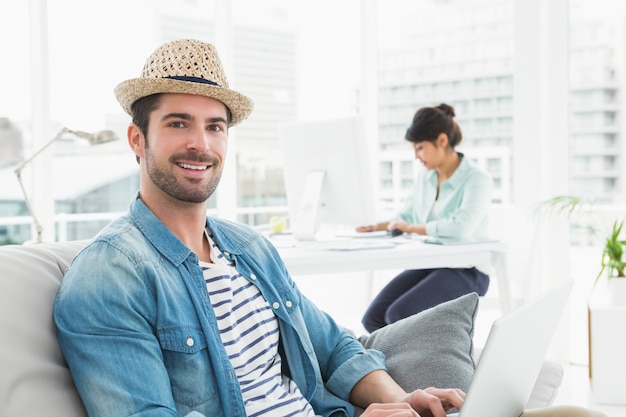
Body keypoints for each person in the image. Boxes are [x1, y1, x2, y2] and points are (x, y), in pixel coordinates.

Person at [53, 39, 605, 417]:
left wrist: (395, 400)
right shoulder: (110, 276)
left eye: (215, 126)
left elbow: (334, 345)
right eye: (178, 123)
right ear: (136, 139)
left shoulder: (248, 249)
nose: (201, 143)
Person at [357, 104, 492, 333]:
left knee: (398, 315)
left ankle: (413, 367)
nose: (415, 156)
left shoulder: (476, 179)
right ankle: (397, 369)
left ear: (441, 141)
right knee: (374, 318)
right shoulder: (426, 177)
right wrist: (380, 225)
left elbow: (461, 227)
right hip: (432, 263)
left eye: (420, 148)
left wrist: (411, 228)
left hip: (467, 269)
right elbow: (409, 214)